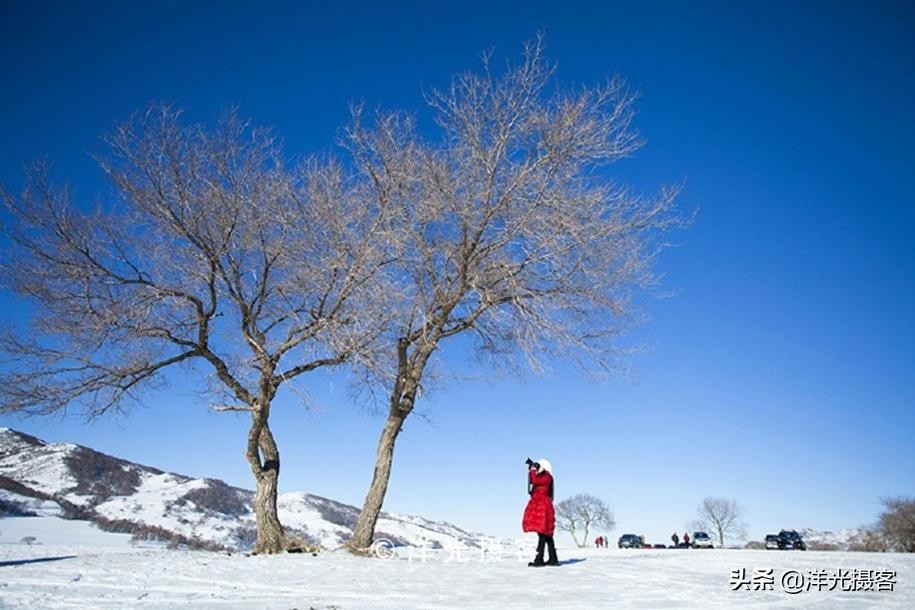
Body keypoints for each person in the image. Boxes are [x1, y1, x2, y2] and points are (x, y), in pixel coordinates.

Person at [522, 457, 558, 567]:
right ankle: (552, 558)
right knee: (545, 534)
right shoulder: (545, 477)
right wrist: (532, 470)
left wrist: (533, 470)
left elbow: (536, 480)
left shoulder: (547, 477)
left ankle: (540, 559)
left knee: (543, 532)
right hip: (540, 503)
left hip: (542, 505)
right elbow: (533, 483)